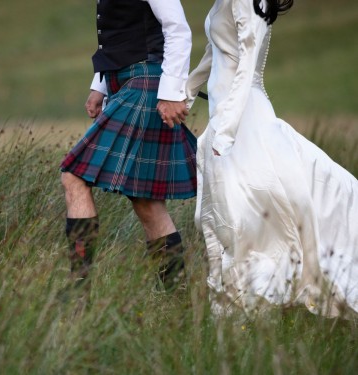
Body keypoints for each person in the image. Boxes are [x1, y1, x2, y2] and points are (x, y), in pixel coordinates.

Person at [186, 0, 358, 317]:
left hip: (245, 122)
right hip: (227, 119)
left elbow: (245, 67)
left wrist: (225, 131)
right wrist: (186, 91)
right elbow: (216, 52)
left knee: (248, 212)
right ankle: (242, 304)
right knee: (230, 213)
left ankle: (248, 301)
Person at [60, 0, 197, 292]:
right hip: (127, 82)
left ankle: (78, 292)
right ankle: (179, 302)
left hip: (146, 83)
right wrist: (99, 88)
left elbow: (178, 30)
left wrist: (172, 92)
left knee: (74, 175)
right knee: (146, 201)